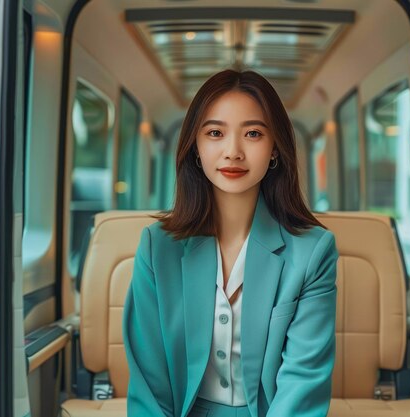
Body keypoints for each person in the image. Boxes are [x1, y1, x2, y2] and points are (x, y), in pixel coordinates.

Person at [122, 69, 339, 417]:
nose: (233, 151)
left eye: (253, 133)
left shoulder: (313, 252)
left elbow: (302, 384)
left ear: (274, 151)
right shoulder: (156, 247)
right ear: (195, 147)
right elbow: (150, 388)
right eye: (215, 133)